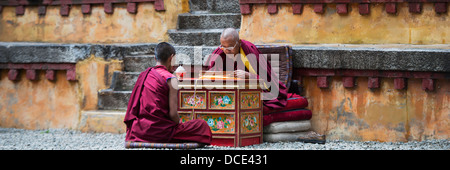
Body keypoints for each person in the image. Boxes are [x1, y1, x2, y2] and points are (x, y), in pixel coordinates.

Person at [124, 42, 212, 144]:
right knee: (201, 125)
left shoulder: (145, 75)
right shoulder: (171, 79)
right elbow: (173, 114)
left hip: (140, 130)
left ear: (155, 58)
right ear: (171, 58)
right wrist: (179, 124)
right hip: (161, 131)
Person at [205, 28, 288, 110]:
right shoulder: (220, 52)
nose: (226, 51)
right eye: (223, 47)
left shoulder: (250, 52)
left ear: (239, 42)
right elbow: (211, 74)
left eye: (230, 48)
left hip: (249, 89)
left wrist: (249, 75)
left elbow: (267, 81)